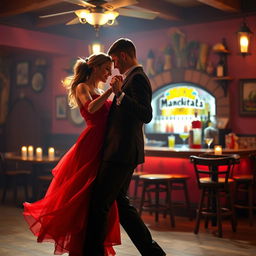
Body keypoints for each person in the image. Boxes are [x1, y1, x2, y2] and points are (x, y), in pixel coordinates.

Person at [23, 53, 121, 256]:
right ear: (94, 68)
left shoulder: (99, 89)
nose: (108, 73)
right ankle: (81, 246)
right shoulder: (82, 87)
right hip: (91, 143)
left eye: (110, 70)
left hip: (105, 143)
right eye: (106, 69)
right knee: (82, 194)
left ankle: (92, 243)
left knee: (98, 195)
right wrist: (111, 92)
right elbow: (92, 108)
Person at [83, 38, 166, 256]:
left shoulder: (137, 78)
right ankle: (153, 252)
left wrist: (119, 93)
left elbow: (146, 114)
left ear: (123, 56)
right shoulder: (130, 78)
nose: (114, 68)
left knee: (99, 204)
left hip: (121, 152)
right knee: (121, 206)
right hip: (120, 151)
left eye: (114, 61)